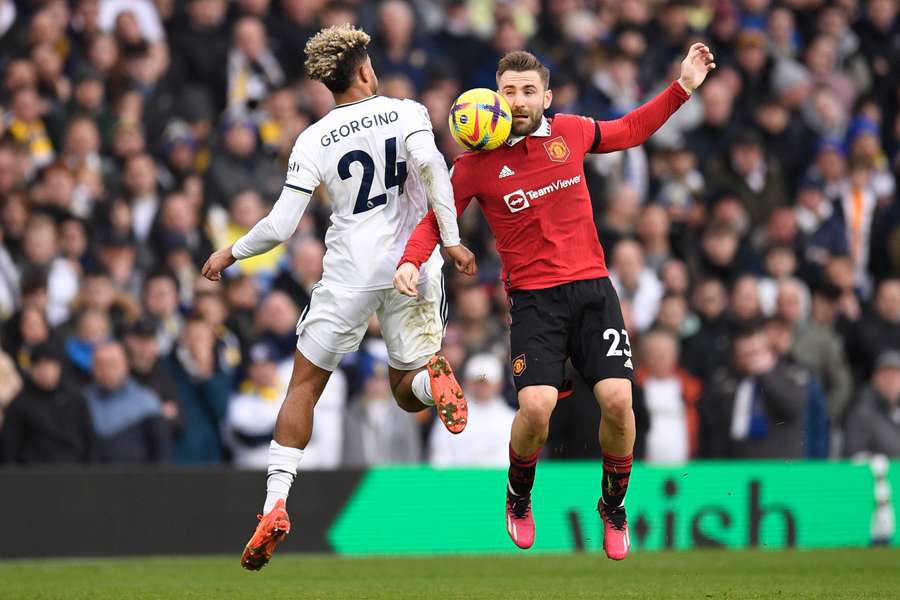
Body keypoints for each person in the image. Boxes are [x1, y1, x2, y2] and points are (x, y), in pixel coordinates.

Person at [396, 45, 715, 559]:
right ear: (492, 97)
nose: (517, 101)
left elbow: (630, 130)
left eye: (527, 92)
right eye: (507, 91)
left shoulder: (572, 131)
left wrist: (682, 87)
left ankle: (613, 505)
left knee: (617, 400)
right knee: (536, 407)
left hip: (592, 290)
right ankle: (519, 495)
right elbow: (436, 221)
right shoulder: (473, 166)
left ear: (547, 96)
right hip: (534, 302)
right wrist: (412, 260)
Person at [201, 24, 476, 570]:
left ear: (328, 83)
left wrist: (230, 253)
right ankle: (431, 380)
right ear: (367, 71)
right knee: (403, 390)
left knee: (303, 386)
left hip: (350, 272)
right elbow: (435, 173)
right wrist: (450, 239)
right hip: (412, 267)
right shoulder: (408, 112)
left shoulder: (313, 138)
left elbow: (282, 227)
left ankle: (275, 503)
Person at [428, 353, 516, 467]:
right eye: (477, 382)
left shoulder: (510, 419)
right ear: (467, 382)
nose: (481, 387)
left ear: (499, 384)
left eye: (486, 383)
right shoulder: (449, 417)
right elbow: (439, 456)